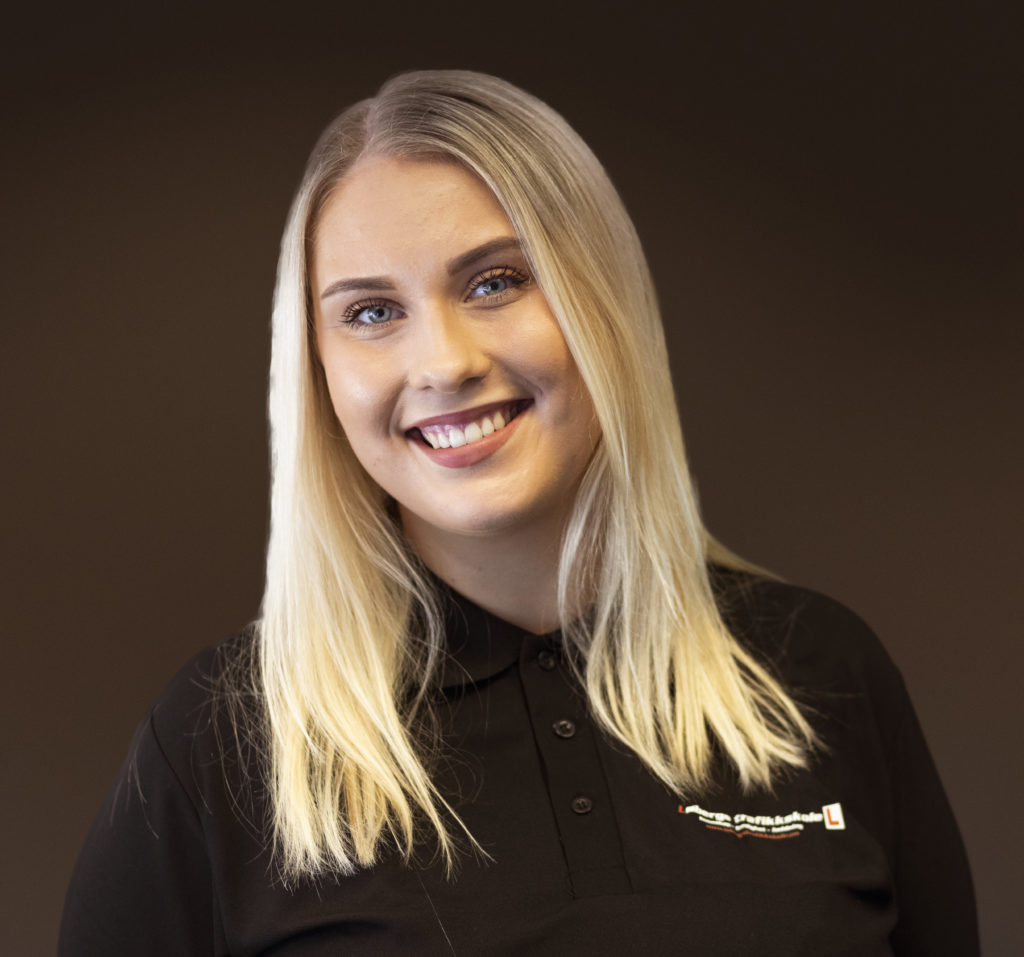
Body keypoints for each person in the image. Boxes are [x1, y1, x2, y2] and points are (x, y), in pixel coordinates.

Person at [59, 70, 978, 955]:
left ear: (604, 303)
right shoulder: (221, 740)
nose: (444, 362)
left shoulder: (822, 672)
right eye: (372, 312)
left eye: (495, 281)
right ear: (319, 370)